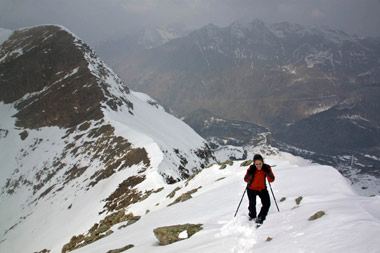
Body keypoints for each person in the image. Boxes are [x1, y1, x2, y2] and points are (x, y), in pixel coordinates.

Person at [244, 154, 275, 226]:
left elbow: (272, 179)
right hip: (251, 189)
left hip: (262, 189)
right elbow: (246, 179)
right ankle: (252, 216)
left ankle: (261, 217)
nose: (258, 166)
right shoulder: (251, 169)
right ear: (254, 163)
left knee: (267, 204)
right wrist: (250, 173)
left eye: (260, 164)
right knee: (252, 204)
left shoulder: (266, 168)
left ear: (262, 162)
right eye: (256, 164)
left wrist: (267, 172)